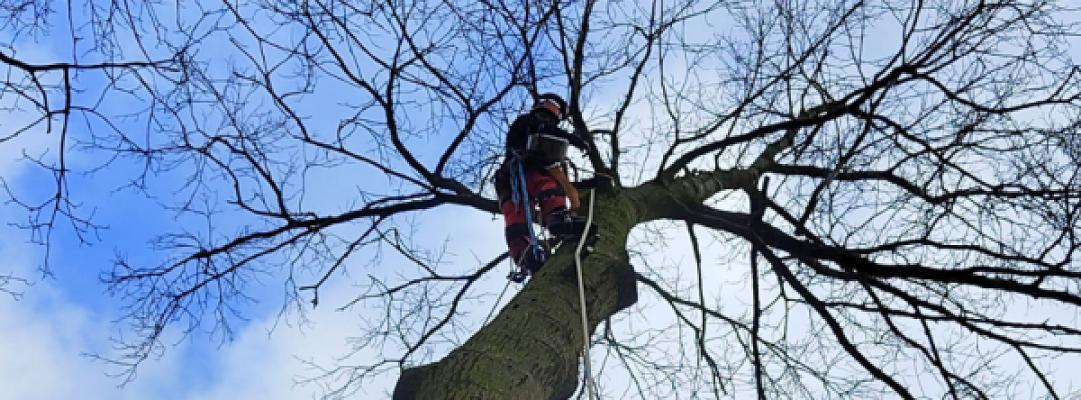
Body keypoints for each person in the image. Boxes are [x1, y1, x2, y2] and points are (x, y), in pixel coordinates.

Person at [495, 93, 594, 280]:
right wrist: (574, 139)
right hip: (519, 169)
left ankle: (526, 254)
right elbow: (544, 130)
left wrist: (588, 185)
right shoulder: (528, 122)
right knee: (544, 186)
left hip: (510, 180)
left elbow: (564, 182)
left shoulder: (537, 130)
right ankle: (554, 221)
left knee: (517, 214)